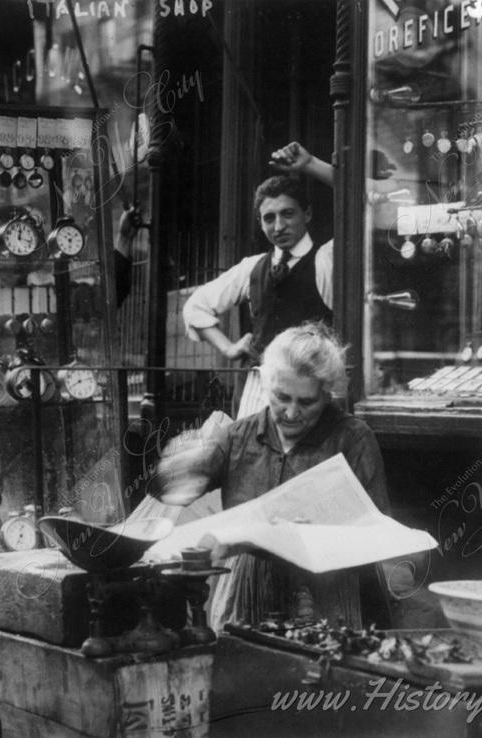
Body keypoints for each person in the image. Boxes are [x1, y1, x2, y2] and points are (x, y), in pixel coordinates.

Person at [155, 322, 391, 630]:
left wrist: (322, 533)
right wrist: (176, 468)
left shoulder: (352, 438)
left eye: (306, 402)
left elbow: (379, 532)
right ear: (266, 385)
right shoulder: (237, 437)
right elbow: (172, 486)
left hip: (328, 587)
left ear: (327, 394)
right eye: (282, 397)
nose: (292, 413)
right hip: (248, 586)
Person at [181, 142, 335, 415]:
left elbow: (363, 199)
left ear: (307, 214)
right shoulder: (252, 268)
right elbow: (195, 307)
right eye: (269, 218)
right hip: (258, 393)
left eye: (288, 214)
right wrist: (228, 348)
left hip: (311, 394)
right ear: (260, 222)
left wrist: (311, 164)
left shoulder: (327, 259)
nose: (279, 226)